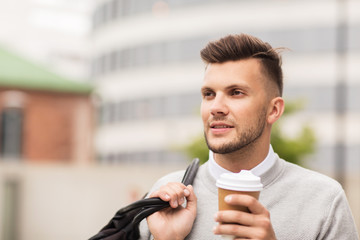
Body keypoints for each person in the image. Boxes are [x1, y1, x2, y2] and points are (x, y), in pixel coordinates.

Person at [138, 33, 359, 240]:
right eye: (209, 94)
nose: (216, 107)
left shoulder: (324, 200)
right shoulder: (164, 196)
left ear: (274, 110)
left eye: (236, 92)